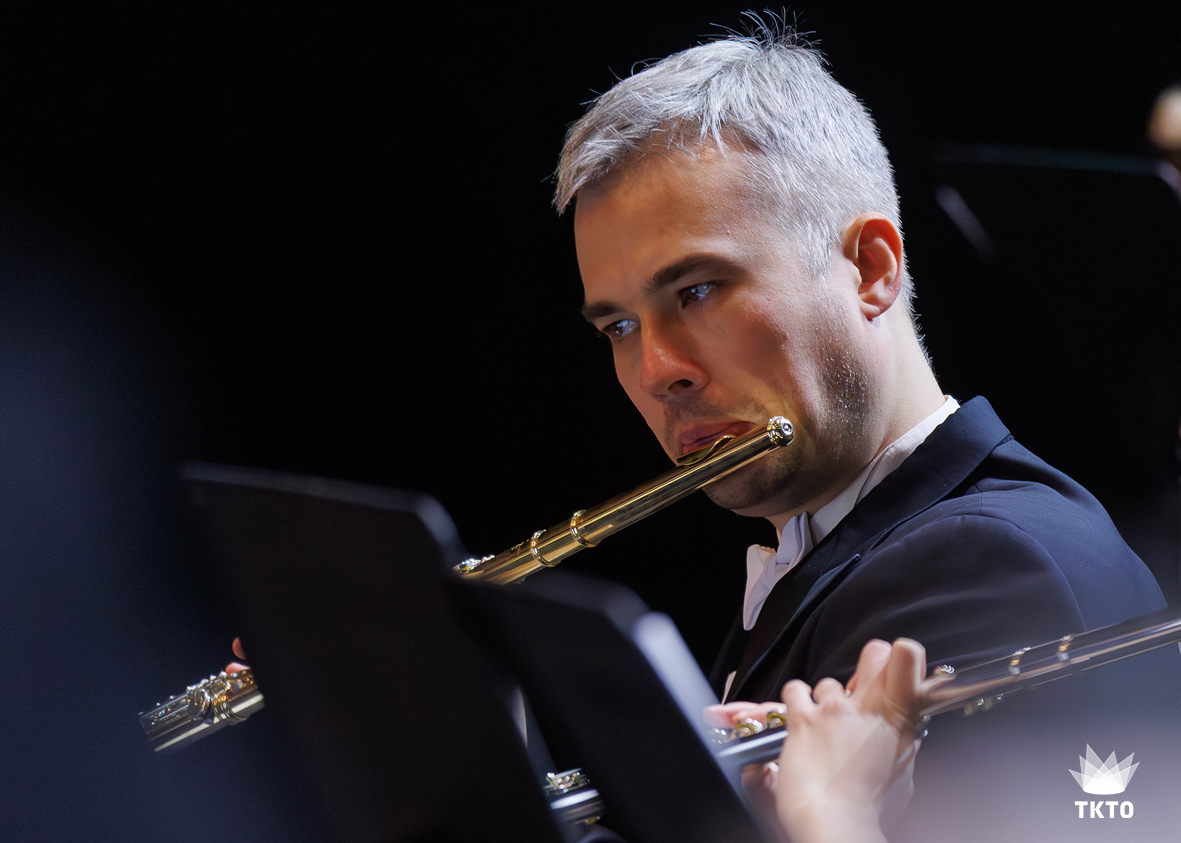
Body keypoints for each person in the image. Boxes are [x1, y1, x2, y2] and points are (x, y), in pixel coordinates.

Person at [555, 22, 1166, 710]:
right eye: (620, 326)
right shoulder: (836, 554)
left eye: (697, 291)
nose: (655, 371)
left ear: (870, 268)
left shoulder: (991, 566)